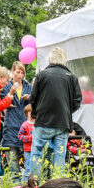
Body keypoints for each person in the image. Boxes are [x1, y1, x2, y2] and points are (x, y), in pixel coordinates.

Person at [26, 47, 82, 180]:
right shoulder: (72, 77)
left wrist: (35, 113)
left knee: (37, 154)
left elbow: (32, 98)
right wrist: (66, 111)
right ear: (64, 60)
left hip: (43, 121)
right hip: (63, 123)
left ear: (50, 59)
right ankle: (57, 187)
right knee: (59, 156)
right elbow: (77, 101)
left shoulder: (41, 74)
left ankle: (34, 185)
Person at [0, 62, 33, 182]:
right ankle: (16, 182)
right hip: (11, 123)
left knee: (28, 155)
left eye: (22, 72)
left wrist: (30, 98)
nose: (20, 74)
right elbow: (0, 100)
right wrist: (9, 96)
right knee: (12, 155)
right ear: (12, 72)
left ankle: (27, 181)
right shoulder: (6, 86)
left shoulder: (28, 86)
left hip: (26, 124)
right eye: (17, 72)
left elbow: (35, 100)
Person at [18, 104, 35, 174]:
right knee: (28, 168)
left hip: (36, 150)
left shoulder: (37, 124)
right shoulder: (25, 125)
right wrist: (30, 138)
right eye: (30, 113)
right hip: (28, 150)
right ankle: (24, 182)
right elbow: (20, 136)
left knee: (35, 168)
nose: (32, 115)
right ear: (27, 114)